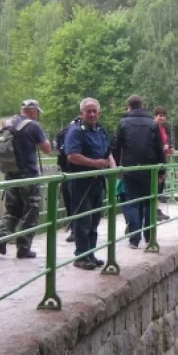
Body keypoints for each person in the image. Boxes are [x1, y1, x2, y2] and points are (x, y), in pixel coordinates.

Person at [0, 99, 52, 258]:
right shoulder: (32, 126)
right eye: (37, 112)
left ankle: (0, 236)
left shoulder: (7, 123)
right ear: (33, 111)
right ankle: (23, 247)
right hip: (28, 174)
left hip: (10, 173)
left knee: (13, 209)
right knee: (31, 209)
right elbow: (47, 149)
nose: (38, 115)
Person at [64, 98, 116, 270]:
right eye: (88, 111)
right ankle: (81, 256)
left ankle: (90, 254)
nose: (92, 114)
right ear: (82, 113)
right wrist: (94, 164)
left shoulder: (101, 130)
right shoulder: (76, 130)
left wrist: (113, 170)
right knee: (83, 220)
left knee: (94, 219)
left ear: (99, 113)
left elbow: (107, 153)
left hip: (97, 182)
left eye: (95, 111)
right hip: (80, 182)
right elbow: (71, 155)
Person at [111, 95, 166, 249]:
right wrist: (162, 170)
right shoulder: (152, 124)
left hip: (130, 169)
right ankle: (149, 237)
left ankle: (134, 239)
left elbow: (116, 147)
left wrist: (116, 167)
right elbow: (159, 148)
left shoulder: (123, 122)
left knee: (131, 202)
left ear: (128, 106)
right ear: (142, 106)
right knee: (149, 202)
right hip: (150, 170)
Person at [153, 107, 173, 222]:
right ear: (155, 116)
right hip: (156, 161)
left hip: (163, 159)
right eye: (159, 115)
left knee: (159, 187)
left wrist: (168, 149)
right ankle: (154, 210)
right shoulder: (153, 128)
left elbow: (165, 143)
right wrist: (162, 148)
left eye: (163, 116)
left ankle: (157, 209)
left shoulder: (162, 129)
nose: (161, 117)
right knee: (156, 186)